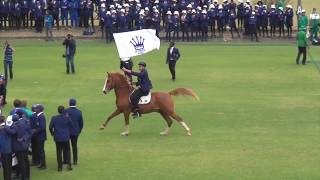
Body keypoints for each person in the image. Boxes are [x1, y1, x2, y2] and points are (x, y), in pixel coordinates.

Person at [5, 111, 31, 180]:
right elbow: (29, 133)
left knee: (21, 162)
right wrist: (23, 139)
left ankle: (23, 177)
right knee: (26, 161)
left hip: (18, 147)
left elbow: (12, 132)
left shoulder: (15, 125)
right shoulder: (25, 122)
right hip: (25, 145)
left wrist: (5, 126)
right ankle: (27, 176)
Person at [49, 105, 73, 171]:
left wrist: (52, 133)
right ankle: (69, 165)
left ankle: (59, 167)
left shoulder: (54, 118)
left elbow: (50, 127)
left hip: (58, 137)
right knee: (67, 151)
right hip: (65, 137)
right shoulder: (67, 118)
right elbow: (71, 125)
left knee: (59, 152)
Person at [65, 98, 83, 165]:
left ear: (69, 103)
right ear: (75, 103)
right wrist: (79, 131)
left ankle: (67, 160)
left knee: (67, 146)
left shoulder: (66, 111)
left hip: (67, 131)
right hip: (76, 132)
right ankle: (75, 160)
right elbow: (81, 123)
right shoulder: (79, 112)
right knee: (74, 146)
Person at [33, 104, 46, 169]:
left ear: (39, 109)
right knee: (39, 150)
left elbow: (42, 127)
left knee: (41, 151)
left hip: (40, 137)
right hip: (39, 136)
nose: (35, 109)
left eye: (36, 108)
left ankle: (43, 165)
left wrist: (34, 131)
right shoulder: (39, 116)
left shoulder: (41, 116)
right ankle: (41, 163)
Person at [0, 115, 12, 180]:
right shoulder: (7, 127)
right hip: (9, 149)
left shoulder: (3, 128)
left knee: (6, 166)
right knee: (9, 165)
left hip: (3, 150)